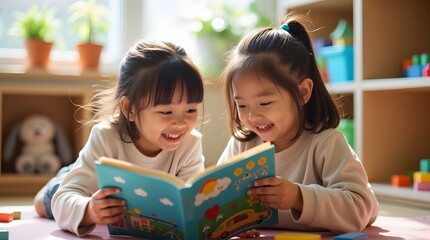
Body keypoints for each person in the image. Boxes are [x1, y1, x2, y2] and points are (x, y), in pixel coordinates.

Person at [217, 14, 379, 234]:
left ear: (303, 92)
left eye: (264, 103)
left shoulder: (326, 143)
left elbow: (361, 210)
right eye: (242, 106)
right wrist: (234, 224)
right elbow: (220, 201)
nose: (252, 117)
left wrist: (298, 197)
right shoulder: (242, 144)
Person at [34, 39, 206, 237]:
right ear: (130, 109)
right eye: (166, 112)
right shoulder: (105, 136)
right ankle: (59, 179)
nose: (180, 123)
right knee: (43, 204)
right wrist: (89, 210)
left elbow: (191, 202)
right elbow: (64, 198)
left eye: (190, 109)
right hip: (93, 188)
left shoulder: (191, 143)